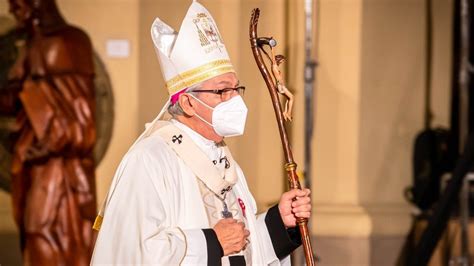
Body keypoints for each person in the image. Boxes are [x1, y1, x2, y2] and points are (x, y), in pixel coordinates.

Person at [91, 1, 311, 265]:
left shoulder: (222, 158)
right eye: (221, 91)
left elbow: (242, 245)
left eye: (235, 89)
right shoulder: (149, 160)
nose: (233, 100)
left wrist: (278, 222)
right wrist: (212, 243)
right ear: (188, 103)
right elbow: (133, 252)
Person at [1, 0, 97, 264]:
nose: (11, 11)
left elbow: (82, 123)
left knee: (46, 232)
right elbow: (16, 98)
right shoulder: (34, 45)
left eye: (16, 5)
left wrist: (53, 140)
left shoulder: (64, 43)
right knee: (35, 234)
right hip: (35, 158)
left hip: (58, 166)